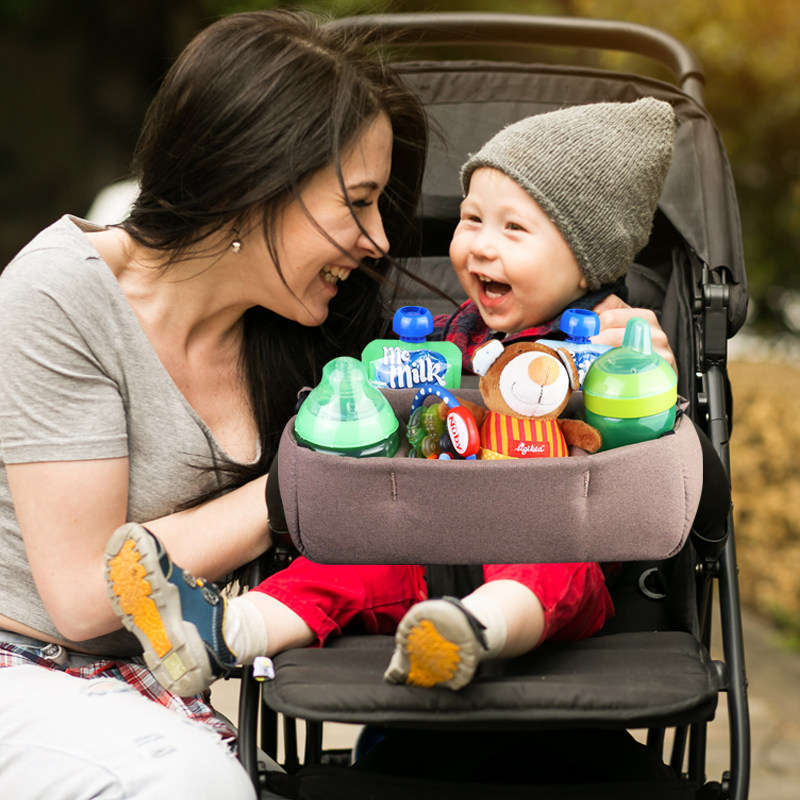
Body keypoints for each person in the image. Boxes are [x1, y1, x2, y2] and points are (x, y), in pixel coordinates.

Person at [100, 98, 679, 700]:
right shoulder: (445, 337)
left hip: (549, 538)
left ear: (588, 265)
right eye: (471, 218)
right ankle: (223, 634)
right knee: (340, 566)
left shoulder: (610, 348)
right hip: (423, 538)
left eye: (513, 228)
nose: (480, 245)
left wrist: (640, 373)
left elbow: (644, 446)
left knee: (554, 570)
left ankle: (472, 631)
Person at [0, 9, 427, 798]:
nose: (377, 240)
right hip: (23, 667)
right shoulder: (60, 294)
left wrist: (604, 330)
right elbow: (85, 595)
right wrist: (298, 488)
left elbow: (475, 349)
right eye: (358, 201)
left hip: (145, 684)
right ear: (260, 175)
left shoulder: (302, 323)